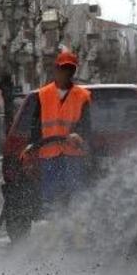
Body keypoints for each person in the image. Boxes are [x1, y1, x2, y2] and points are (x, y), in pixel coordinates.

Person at [24, 50, 92, 214]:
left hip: (73, 154)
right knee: (50, 199)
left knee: (75, 197)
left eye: (71, 69)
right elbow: (35, 124)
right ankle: (52, 231)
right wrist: (32, 144)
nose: (67, 73)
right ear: (56, 69)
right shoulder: (43, 94)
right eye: (64, 68)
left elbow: (86, 124)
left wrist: (79, 134)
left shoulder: (82, 96)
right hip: (49, 154)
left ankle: (74, 231)